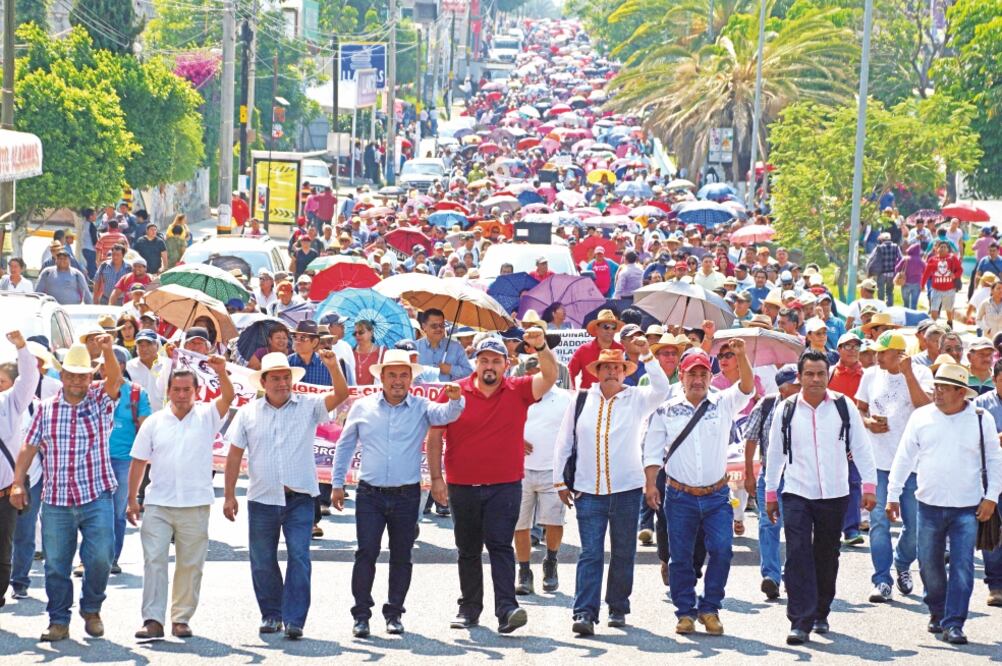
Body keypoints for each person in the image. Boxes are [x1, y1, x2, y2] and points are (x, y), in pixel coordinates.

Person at [426, 331, 558, 634]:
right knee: (468, 549)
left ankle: (507, 609)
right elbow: (435, 436)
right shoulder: (454, 391)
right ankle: (469, 609)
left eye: (496, 361)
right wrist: (436, 479)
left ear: (506, 364)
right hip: (462, 485)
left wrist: (540, 346)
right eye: (484, 360)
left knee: (500, 545)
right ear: (475, 363)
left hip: (505, 485)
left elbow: (550, 376)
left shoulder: (519, 389)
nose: (489, 366)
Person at [330, 351, 465, 638]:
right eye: (392, 374)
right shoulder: (362, 407)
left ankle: (394, 613)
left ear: (411, 378)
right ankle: (361, 615)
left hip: (407, 495)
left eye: (404, 375)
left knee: (402, 555)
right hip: (370, 494)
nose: (398, 381)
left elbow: (448, 414)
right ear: (381, 377)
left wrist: (455, 397)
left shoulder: (422, 406)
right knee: (365, 553)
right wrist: (337, 483)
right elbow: (344, 445)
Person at [223, 350, 349, 639]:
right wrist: (229, 495)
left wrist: (332, 366)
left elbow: (341, 394)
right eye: (276, 378)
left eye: (286, 377)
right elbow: (234, 455)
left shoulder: (308, 406)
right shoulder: (248, 413)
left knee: (300, 556)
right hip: (262, 498)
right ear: (263, 382)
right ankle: (271, 614)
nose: (282, 383)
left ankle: (294, 619)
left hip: (300, 497)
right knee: (262, 558)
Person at [9, 336, 122, 642]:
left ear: (90, 377)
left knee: (100, 557)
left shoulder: (99, 399)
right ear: (62, 376)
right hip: (57, 499)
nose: (75, 380)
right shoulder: (46, 408)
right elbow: (29, 446)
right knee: (56, 565)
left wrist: (108, 350)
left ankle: (92, 608)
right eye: (70, 374)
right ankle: (59, 620)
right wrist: (18, 482)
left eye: (82, 375)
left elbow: (115, 380)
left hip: (96, 494)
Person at [553, 341, 668, 636]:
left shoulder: (637, 398)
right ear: (597, 371)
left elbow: (662, 389)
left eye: (618, 368)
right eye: (606, 367)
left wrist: (648, 355)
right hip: (588, 491)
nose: (612, 372)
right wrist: (559, 480)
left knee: (623, 551)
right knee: (590, 552)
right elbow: (564, 442)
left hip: (627, 489)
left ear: (625, 372)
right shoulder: (581, 399)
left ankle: (617, 607)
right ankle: (584, 612)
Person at [766, 350, 878, 645]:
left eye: (820, 373)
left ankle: (821, 612)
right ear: (799, 377)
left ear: (828, 375)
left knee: (826, 554)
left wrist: (869, 486)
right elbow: (775, 453)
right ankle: (800, 620)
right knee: (798, 552)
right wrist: (769, 492)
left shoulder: (844, 407)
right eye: (809, 374)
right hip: (796, 492)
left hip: (835, 492)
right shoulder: (786, 409)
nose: (815, 379)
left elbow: (862, 448)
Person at [642, 343, 755, 636]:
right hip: (679, 496)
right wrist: (650, 483)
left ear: (710, 377)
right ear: (681, 376)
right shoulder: (665, 410)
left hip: (717, 495)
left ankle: (710, 608)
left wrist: (741, 356)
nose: (698, 379)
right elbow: (653, 452)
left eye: (704, 373)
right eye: (692, 373)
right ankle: (685, 612)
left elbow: (746, 386)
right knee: (680, 557)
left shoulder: (723, 402)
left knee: (722, 550)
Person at [887, 362, 1002, 645]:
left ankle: (954, 623)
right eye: (935, 386)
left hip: (967, 507)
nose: (936, 392)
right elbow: (904, 457)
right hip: (928, 505)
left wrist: (991, 497)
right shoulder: (921, 417)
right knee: (928, 565)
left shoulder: (980, 418)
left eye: (943, 387)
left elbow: (994, 460)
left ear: (961, 392)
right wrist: (892, 493)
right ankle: (937, 611)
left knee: (962, 566)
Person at [126, 358, 234, 640]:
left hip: (195, 504)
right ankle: (152, 619)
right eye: (177, 389)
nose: (182, 394)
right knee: (154, 561)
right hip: (158, 504)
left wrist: (221, 371)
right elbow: (139, 461)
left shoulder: (208, 416)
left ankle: (181, 618)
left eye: (187, 389)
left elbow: (229, 397)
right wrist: (131, 500)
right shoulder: (154, 421)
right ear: (169, 391)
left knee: (190, 564)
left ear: (197, 391)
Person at [856, 332, 933, 603]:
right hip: (877, 461)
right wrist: (868, 423)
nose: (877, 357)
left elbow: (928, 408)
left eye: (882, 352)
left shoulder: (921, 373)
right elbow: (860, 409)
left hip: (912, 463)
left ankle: (901, 562)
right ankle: (881, 580)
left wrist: (908, 374)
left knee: (915, 526)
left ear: (899, 354)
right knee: (878, 522)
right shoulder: (870, 375)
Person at [513, 354, 571, 597]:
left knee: (554, 522)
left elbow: (573, 434)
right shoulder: (514, 395)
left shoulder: (565, 399)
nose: (536, 375)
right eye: (531, 371)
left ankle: (551, 561)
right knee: (520, 524)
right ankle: (524, 571)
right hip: (519, 470)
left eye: (540, 370)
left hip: (553, 470)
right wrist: (514, 439)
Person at [743, 364, 800, 600]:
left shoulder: (810, 408)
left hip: (800, 476)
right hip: (771, 475)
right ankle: (771, 577)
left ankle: (794, 576)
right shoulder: (766, 404)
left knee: (799, 527)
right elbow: (751, 439)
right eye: (797, 384)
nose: (802, 387)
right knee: (768, 525)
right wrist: (748, 473)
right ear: (783, 388)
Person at [0, 331, 40, 603]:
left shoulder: (10, 403)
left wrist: (22, 348)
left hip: (4, 494)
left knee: (2, 552)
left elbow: (29, 379)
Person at [973, 360, 1002, 608]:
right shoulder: (981, 405)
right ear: (994, 380)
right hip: (991, 478)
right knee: (993, 531)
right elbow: (970, 437)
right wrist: (996, 439)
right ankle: (995, 585)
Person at [568, 309, 625, 389]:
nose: (610, 330)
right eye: (606, 327)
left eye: (613, 327)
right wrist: (572, 392)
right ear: (597, 329)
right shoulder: (583, 350)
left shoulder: (622, 350)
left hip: (615, 398)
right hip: (589, 398)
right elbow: (570, 373)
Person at [415, 308, 472, 382]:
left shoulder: (456, 347)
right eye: (434, 326)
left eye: (442, 325)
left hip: (448, 392)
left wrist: (450, 369)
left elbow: (469, 372)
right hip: (421, 392)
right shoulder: (415, 348)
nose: (439, 329)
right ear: (424, 327)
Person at [921, 240, 963, 327]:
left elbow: (960, 270)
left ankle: (950, 322)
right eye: (941, 247)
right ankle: (933, 326)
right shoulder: (932, 260)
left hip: (950, 289)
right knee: (934, 309)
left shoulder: (952, 258)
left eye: (945, 247)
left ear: (948, 249)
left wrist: (954, 275)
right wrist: (922, 284)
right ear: (937, 249)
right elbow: (926, 273)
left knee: (949, 309)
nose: (943, 249)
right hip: (936, 289)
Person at [127, 329, 167, 410]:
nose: (144, 349)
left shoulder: (167, 365)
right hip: (137, 419)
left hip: (163, 417)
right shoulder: (129, 367)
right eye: (140, 345)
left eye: (149, 344)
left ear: (157, 345)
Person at [352, 319, 383, 385]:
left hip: (375, 394)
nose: (357, 335)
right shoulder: (350, 352)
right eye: (355, 333)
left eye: (361, 332)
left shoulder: (382, 352)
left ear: (371, 332)